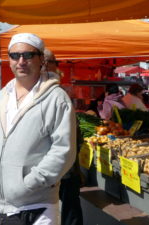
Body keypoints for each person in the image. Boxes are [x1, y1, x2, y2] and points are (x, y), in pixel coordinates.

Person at [0, 33, 76, 225]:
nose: (21, 61)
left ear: (41, 59)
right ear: (9, 60)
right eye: (15, 55)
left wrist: (31, 182)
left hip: (37, 205)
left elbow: (64, 149)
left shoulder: (56, 98)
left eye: (28, 55)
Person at [44, 48, 84, 225]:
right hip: (60, 165)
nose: (58, 66)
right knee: (69, 210)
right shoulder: (55, 92)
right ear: (44, 63)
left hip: (49, 165)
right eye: (55, 62)